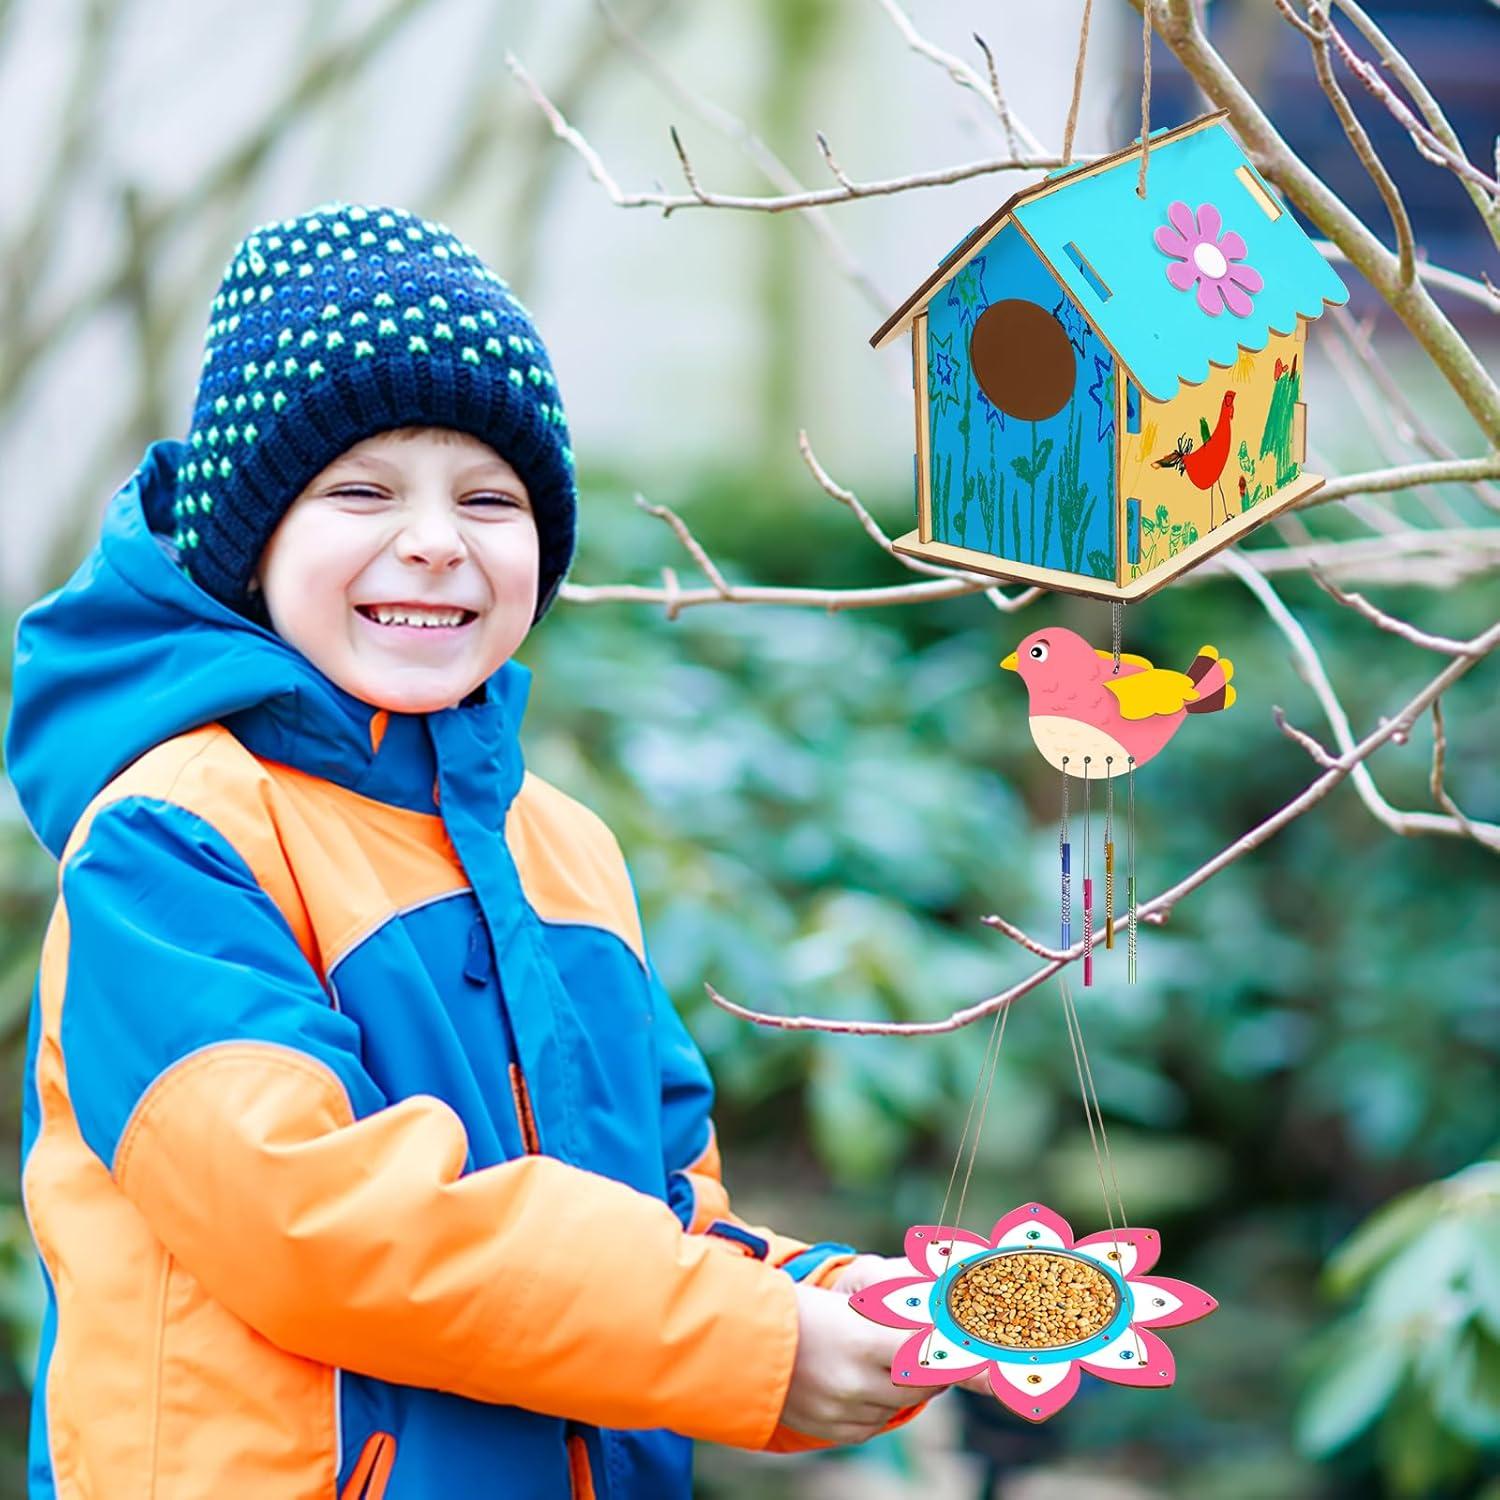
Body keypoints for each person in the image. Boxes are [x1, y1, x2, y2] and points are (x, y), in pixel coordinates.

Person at [4, 202, 955, 1498]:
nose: (437, 540)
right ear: (249, 543)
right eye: (361, 490)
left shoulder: (561, 848)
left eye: (490, 498)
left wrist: (833, 1301)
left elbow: (659, 1216)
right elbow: (313, 1224)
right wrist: (752, 1342)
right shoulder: (173, 840)